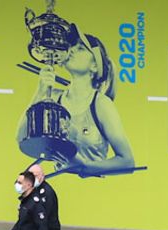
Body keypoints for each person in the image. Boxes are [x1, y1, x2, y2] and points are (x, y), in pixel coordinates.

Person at [17, 33, 135, 178]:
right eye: (72, 46)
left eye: (80, 48)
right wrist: (40, 91)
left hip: (93, 190)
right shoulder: (53, 97)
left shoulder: (101, 104)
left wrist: (84, 166)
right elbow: (21, 136)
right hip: (58, 187)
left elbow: (127, 162)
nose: (71, 50)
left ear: (94, 66)